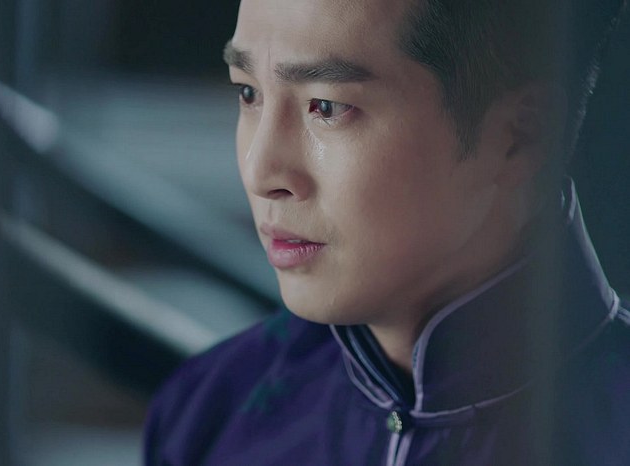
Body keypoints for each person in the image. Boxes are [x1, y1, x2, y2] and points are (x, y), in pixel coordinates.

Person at [144, 0, 630, 464]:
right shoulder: (207, 414)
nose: (260, 172)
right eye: (248, 93)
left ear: (520, 136)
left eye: (327, 107)